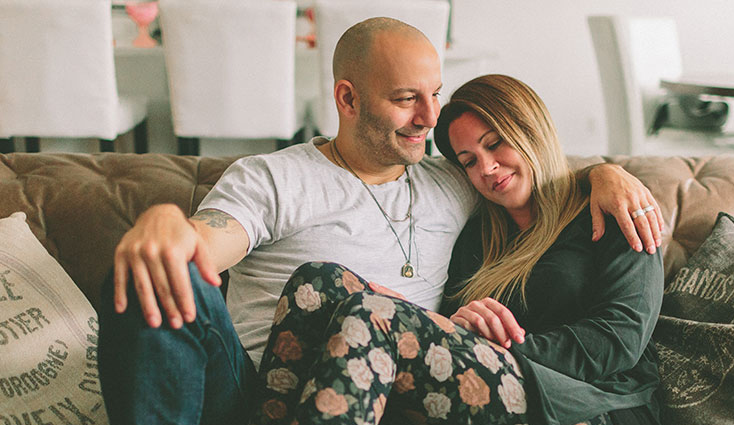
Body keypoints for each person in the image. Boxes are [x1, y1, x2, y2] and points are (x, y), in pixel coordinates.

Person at [98, 18, 663, 425]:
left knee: (348, 296)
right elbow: (205, 243)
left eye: (434, 94)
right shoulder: (274, 177)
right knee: (162, 272)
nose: (429, 118)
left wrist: (607, 174)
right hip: (250, 387)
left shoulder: (454, 183)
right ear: (348, 99)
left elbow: (535, 170)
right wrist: (167, 224)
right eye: (406, 98)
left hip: (395, 383)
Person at [249, 74, 663, 425]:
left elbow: (620, 340)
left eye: (495, 143)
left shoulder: (614, 210)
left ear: (531, 129)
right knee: (317, 281)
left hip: (586, 402)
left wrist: (497, 346)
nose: (486, 168)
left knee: (374, 315)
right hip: (490, 377)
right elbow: (451, 331)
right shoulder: (478, 235)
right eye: (468, 160)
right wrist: (448, 325)